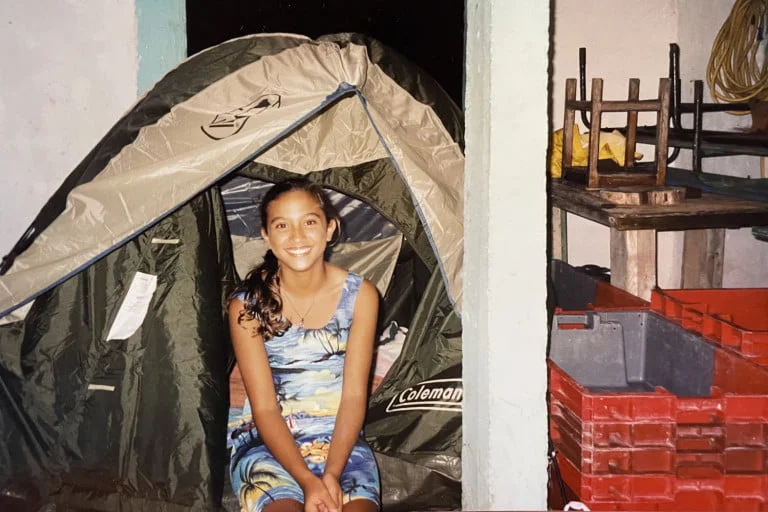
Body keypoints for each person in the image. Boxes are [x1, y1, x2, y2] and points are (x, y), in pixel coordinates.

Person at [227, 178, 381, 512]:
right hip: (268, 444)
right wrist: (309, 481)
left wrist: (331, 474)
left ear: (329, 229)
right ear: (267, 236)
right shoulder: (247, 306)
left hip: (341, 445)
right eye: (282, 225)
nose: (297, 237)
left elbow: (354, 396)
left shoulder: (361, 296)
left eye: (309, 222)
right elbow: (265, 408)